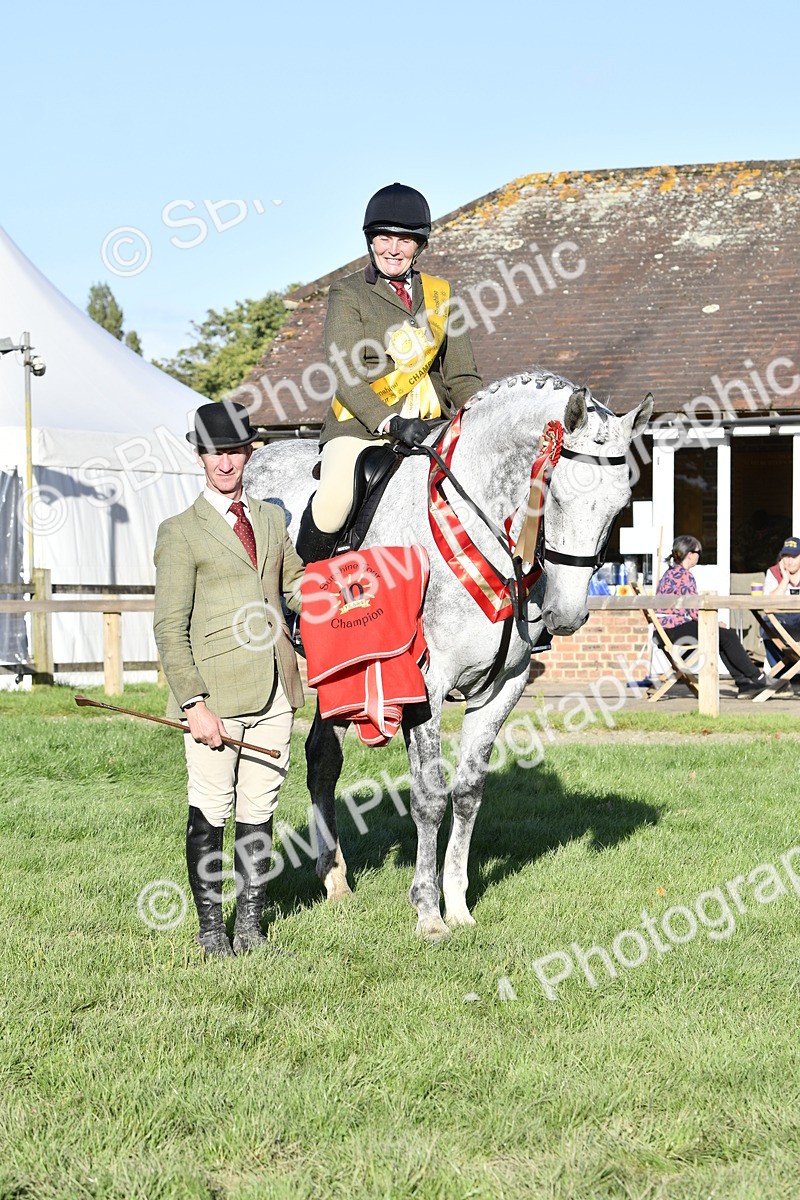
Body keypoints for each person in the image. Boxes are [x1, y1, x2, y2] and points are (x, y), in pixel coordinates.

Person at [153, 401, 305, 958]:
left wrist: (344, 591)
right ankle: (212, 930)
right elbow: (169, 629)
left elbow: (293, 585)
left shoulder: (269, 519)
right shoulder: (180, 533)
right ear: (200, 457)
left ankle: (251, 928)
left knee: (258, 809)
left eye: (234, 451)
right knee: (211, 808)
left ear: (249, 453)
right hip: (214, 695)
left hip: (276, 689)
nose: (225, 463)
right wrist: (193, 703)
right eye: (215, 453)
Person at [295, 181, 483, 564]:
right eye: (383, 238)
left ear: (420, 245)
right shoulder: (347, 293)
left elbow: (462, 376)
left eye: (405, 240)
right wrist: (389, 421)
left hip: (431, 426)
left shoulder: (442, 295)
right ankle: (301, 594)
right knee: (333, 503)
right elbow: (346, 372)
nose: (393, 249)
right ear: (370, 241)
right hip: (362, 427)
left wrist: (479, 421)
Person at [656, 534, 780, 698]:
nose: (699, 556)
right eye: (698, 552)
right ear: (690, 554)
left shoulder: (670, 573)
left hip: (664, 631)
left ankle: (745, 685)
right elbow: (694, 611)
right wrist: (713, 623)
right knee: (727, 635)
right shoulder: (685, 576)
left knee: (721, 637)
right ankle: (757, 677)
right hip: (674, 630)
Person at [762, 535, 800, 675]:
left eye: (794, 556)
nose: (789, 561)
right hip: (781, 620)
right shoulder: (773, 572)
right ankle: (782, 675)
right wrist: (784, 580)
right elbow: (768, 604)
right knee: (766, 624)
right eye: (786, 556)